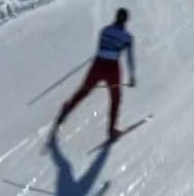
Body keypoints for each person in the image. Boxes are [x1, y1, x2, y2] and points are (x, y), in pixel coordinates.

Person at [54, 9, 137, 141]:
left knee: (83, 91)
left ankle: (66, 110)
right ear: (126, 20)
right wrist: (132, 77)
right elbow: (129, 58)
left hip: (98, 64)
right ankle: (111, 130)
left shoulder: (104, 30)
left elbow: (101, 47)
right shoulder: (127, 37)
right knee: (115, 98)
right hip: (112, 68)